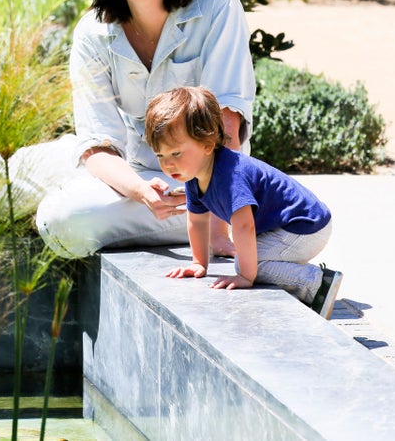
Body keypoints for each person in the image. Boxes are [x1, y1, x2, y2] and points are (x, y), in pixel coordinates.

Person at [35, 0, 256, 259]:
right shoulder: (92, 33)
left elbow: (226, 125)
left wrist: (217, 225)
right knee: (61, 219)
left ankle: (204, 222)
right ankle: (182, 224)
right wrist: (140, 191)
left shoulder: (218, 6)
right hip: (134, 179)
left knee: (72, 217)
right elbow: (98, 147)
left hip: (212, 180)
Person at [143, 85, 343, 318]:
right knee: (249, 260)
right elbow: (197, 221)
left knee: (249, 265)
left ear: (207, 145)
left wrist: (246, 276)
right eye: (161, 156)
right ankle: (304, 280)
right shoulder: (194, 175)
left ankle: (317, 284)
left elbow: (244, 226)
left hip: (306, 227)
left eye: (175, 153)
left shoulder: (230, 175)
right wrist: (199, 263)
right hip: (287, 226)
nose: (168, 164)